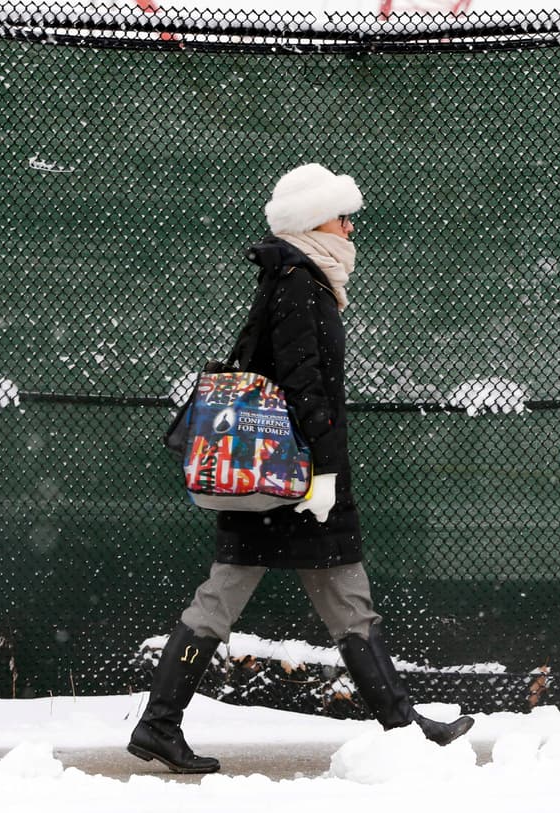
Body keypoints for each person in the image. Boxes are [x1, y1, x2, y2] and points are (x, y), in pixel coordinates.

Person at [128, 163, 474, 774]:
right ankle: (400, 728)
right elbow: (303, 382)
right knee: (281, 598)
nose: (350, 225)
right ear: (313, 221)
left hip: (279, 475)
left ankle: (402, 727)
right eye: (342, 215)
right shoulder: (298, 280)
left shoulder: (298, 277)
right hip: (293, 476)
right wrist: (325, 471)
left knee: (327, 598)